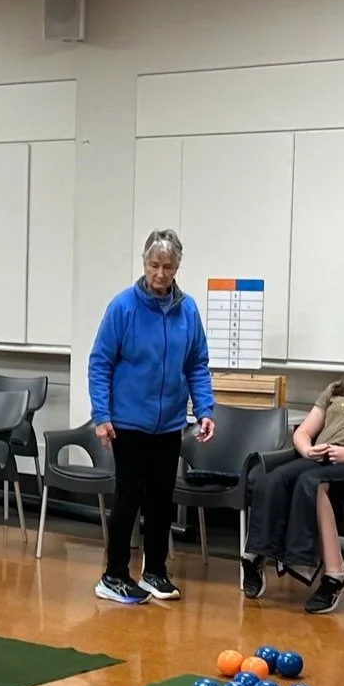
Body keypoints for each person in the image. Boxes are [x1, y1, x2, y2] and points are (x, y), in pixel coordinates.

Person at [87, 228, 216, 606]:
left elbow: (196, 363)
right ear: (144, 263)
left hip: (169, 422)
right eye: (154, 265)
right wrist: (101, 414)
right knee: (129, 496)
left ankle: (155, 570)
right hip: (127, 421)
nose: (160, 274)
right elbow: (100, 363)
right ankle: (113, 574)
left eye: (168, 267)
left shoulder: (187, 309)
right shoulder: (123, 307)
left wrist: (204, 408)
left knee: (162, 497)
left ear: (178, 268)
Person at [242, 322, 344, 614]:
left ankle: (335, 574)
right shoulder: (335, 389)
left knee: (312, 483)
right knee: (269, 479)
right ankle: (255, 555)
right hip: (319, 459)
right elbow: (304, 431)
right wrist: (307, 449)